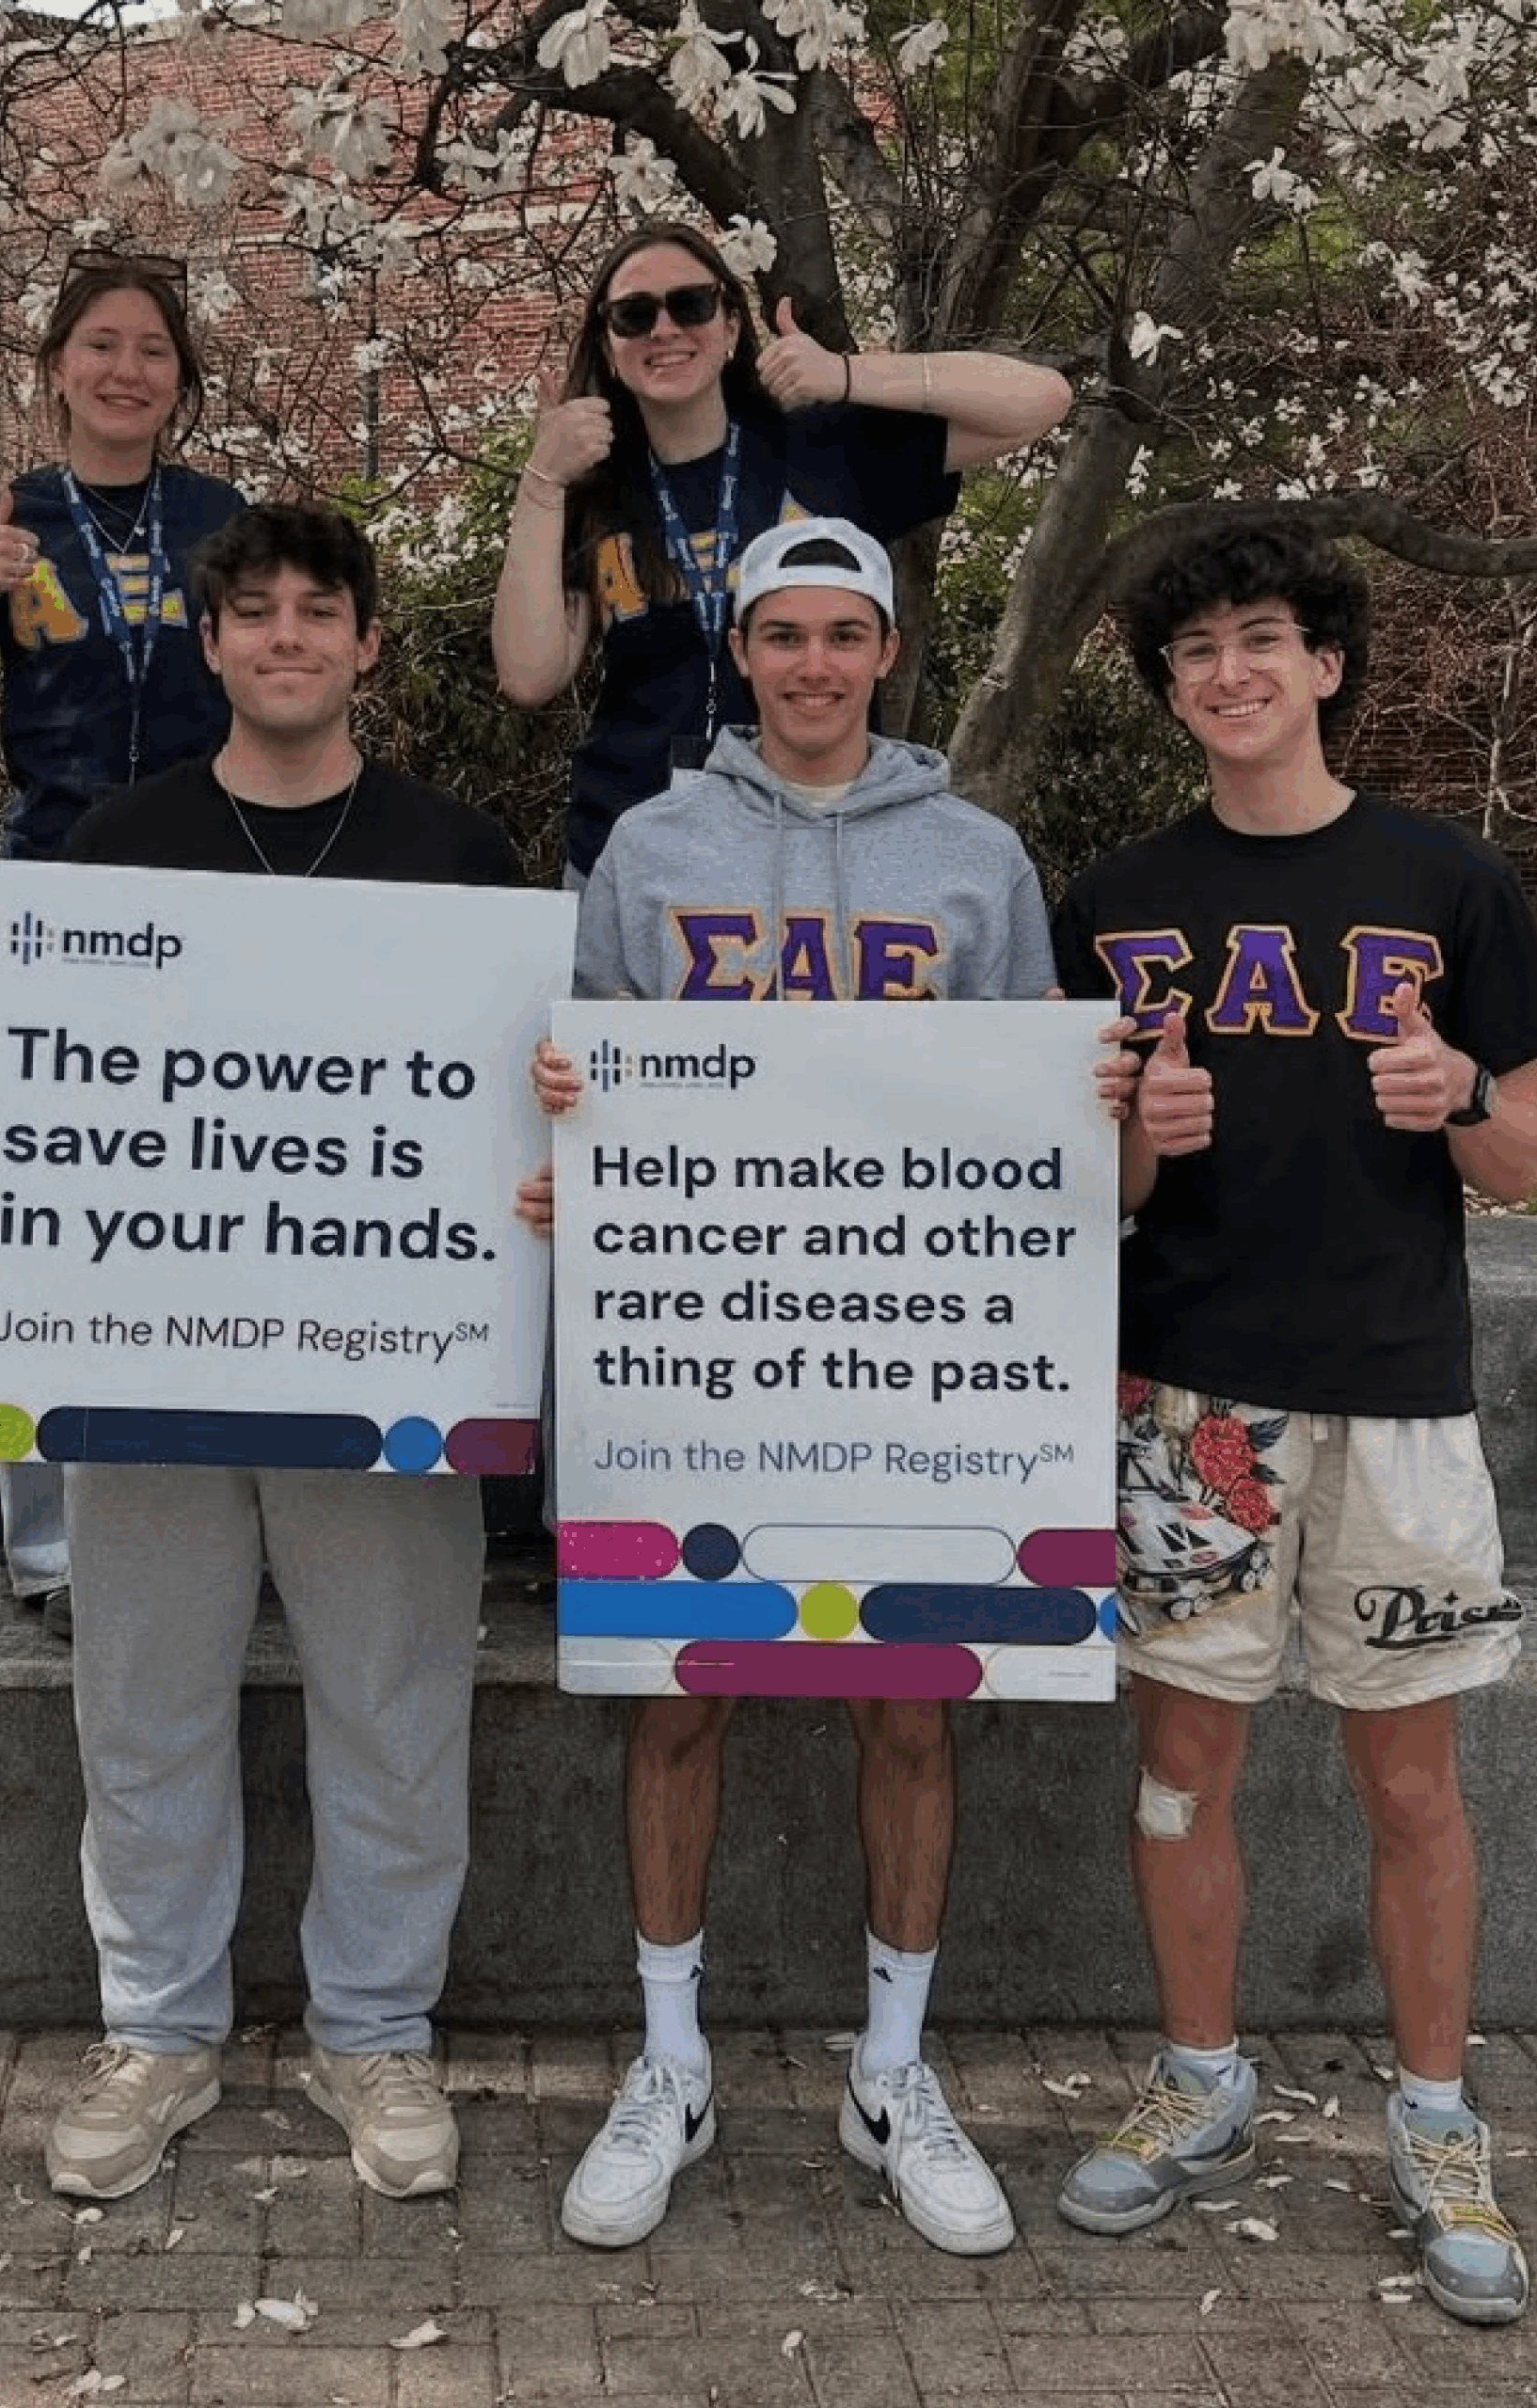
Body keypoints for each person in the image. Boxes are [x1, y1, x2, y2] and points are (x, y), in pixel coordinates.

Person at [0, 504, 524, 2204]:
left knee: (395, 1709)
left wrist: (542, 1138)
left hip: (388, 1369)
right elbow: (61, 1091)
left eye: (318, 611)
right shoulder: (114, 845)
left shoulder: (460, 856)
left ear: (368, 644)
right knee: (145, 1710)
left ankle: (376, 2032)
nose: (285, 638)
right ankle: (159, 2031)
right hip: (151, 1366)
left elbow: (496, 1097)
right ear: (210, 644)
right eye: (252, 612)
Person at [523, 517, 1069, 2258]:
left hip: (913, 1357)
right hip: (698, 1350)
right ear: (740, 652)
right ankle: (669, 2060)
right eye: (783, 635)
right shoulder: (652, 843)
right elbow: (587, 1070)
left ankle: (890, 2068)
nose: (813, 665)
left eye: (845, 634)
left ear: (887, 650)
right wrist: (567, 1102)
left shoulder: (976, 858)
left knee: (907, 1706)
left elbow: (1034, 1111)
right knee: (680, 1695)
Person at [1050, 516, 1537, 2326]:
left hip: (1395, 1396)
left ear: (1323, 664)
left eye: (1259, 638)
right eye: (1193, 650)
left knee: (1408, 1780)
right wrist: (1136, 1143)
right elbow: (1080, 1186)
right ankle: (1198, 2081)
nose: (1229, 673)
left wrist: (1458, 1091)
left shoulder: (1445, 881)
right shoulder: (1112, 900)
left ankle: (1434, 2121)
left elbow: (1523, 1163)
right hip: (1188, 1393)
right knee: (1180, 1770)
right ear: (1167, 686)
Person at [0, 250, 246, 1639]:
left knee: (193, 1202)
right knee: (31, 1215)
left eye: (153, 349)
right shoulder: (9, 518)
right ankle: (55, 1551)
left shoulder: (224, 521)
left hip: (212, 894)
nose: (126, 369)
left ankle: (197, 1522)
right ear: (56, 366)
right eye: (101, 344)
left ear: (183, 380)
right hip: (52, 901)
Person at [491, 218, 1070, 884]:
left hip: (812, 854)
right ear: (608, 343)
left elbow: (1043, 400)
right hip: (628, 860)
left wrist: (846, 373)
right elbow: (529, 676)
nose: (664, 329)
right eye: (634, 314)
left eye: (691, 304)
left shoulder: (823, 448)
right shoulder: (592, 486)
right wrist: (543, 480)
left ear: (731, 325)